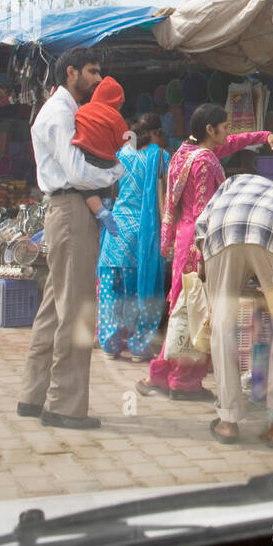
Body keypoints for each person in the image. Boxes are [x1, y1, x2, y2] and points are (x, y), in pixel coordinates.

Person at [17, 47, 124, 431]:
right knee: (76, 310)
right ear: (71, 73)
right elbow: (78, 173)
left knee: (52, 309)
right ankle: (64, 405)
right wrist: (117, 169)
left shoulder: (65, 111)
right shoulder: (62, 114)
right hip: (71, 211)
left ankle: (32, 395)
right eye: (92, 72)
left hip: (67, 212)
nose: (98, 80)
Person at [145, 104, 273, 399]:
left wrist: (263, 134)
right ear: (210, 130)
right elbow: (204, 210)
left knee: (183, 311)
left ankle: (161, 373)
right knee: (200, 314)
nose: (228, 131)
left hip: (184, 239)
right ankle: (185, 381)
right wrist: (206, 254)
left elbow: (231, 143)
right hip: (199, 243)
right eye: (224, 126)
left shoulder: (187, 151)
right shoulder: (205, 163)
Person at [198, 173, 273, 443]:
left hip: (223, 233)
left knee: (222, 326)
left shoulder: (230, 183)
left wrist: (205, 267)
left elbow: (201, 227)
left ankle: (228, 420)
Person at [97, 112, 169, 362]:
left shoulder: (121, 155)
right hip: (143, 234)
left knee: (110, 288)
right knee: (144, 291)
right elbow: (165, 198)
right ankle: (139, 345)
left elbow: (110, 192)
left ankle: (110, 343)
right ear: (157, 133)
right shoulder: (160, 156)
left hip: (115, 230)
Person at [70, 74, 129, 233]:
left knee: (86, 186)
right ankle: (106, 205)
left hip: (84, 154)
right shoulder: (115, 116)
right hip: (105, 158)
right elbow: (124, 140)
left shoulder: (82, 109)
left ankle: (99, 210)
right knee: (108, 180)